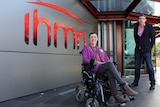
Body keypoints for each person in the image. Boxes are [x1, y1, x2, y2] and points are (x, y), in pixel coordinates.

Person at [82, 32, 138, 103]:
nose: (93, 39)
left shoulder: (99, 49)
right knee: (109, 65)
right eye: (91, 37)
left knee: (110, 72)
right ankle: (124, 85)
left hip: (103, 68)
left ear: (97, 39)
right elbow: (85, 60)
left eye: (95, 37)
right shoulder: (86, 48)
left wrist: (107, 63)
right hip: (94, 68)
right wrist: (96, 62)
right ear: (89, 39)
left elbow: (106, 59)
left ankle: (116, 96)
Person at [130, 14, 156, 90]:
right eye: (140, 19)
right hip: (138, 49)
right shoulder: (136, 27)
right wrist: (138, 45)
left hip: (146, 50)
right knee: (137, 67)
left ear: (145, 20)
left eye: (142, 19)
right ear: (138, 20)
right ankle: (135, 82)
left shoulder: (149, 27)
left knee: (150, 67)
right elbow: (136, 38)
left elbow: (153, 39)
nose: (141, 20)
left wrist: (149, 47)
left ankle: (152, 83)